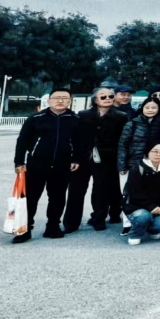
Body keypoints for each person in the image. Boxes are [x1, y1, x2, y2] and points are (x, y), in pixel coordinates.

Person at [11, 86, 81, 243]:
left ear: (70, 101)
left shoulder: (75, 120)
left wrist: (76, 159)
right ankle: (24, 229)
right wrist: (19, 162)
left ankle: (53, 227)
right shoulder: (36, 118)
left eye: (65, 98)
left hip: (62, 166)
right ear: (49, 100)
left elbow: (79, 143)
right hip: (36, 166)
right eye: (56, 98)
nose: (60, 100)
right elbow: (22, 141)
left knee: (57, 198)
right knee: (30, 198)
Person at [68, 86, 129, 232]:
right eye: (103, 97)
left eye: (110, 96)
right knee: (76, 190)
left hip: (107, 158)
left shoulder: (121, 116)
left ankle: (98, 219)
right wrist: (75, 158)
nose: (108, 99)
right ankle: (71, 223)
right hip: (83, 157)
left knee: (101, 190)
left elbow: (123, 140)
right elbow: (76, 138)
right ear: (95, 100)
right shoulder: (83, 115)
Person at [123, 143, 160, 245]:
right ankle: (135, 234)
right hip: (138, 207)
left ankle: (152, 230)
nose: (158, 154)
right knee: (143, 216)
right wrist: (151, 207)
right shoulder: (137, 168)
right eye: (155, 151)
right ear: (148, 152)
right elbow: (135, 193)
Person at [117, 99, 160, 211]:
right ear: (142, 108)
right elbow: (122, 145)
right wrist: (122, 166)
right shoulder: (132, 124)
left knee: (148, 193)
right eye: (147, 107)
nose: (150, 110)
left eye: (154, 107)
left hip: (154, 164)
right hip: (133, 164)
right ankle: (127, 219)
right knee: (128, 193)